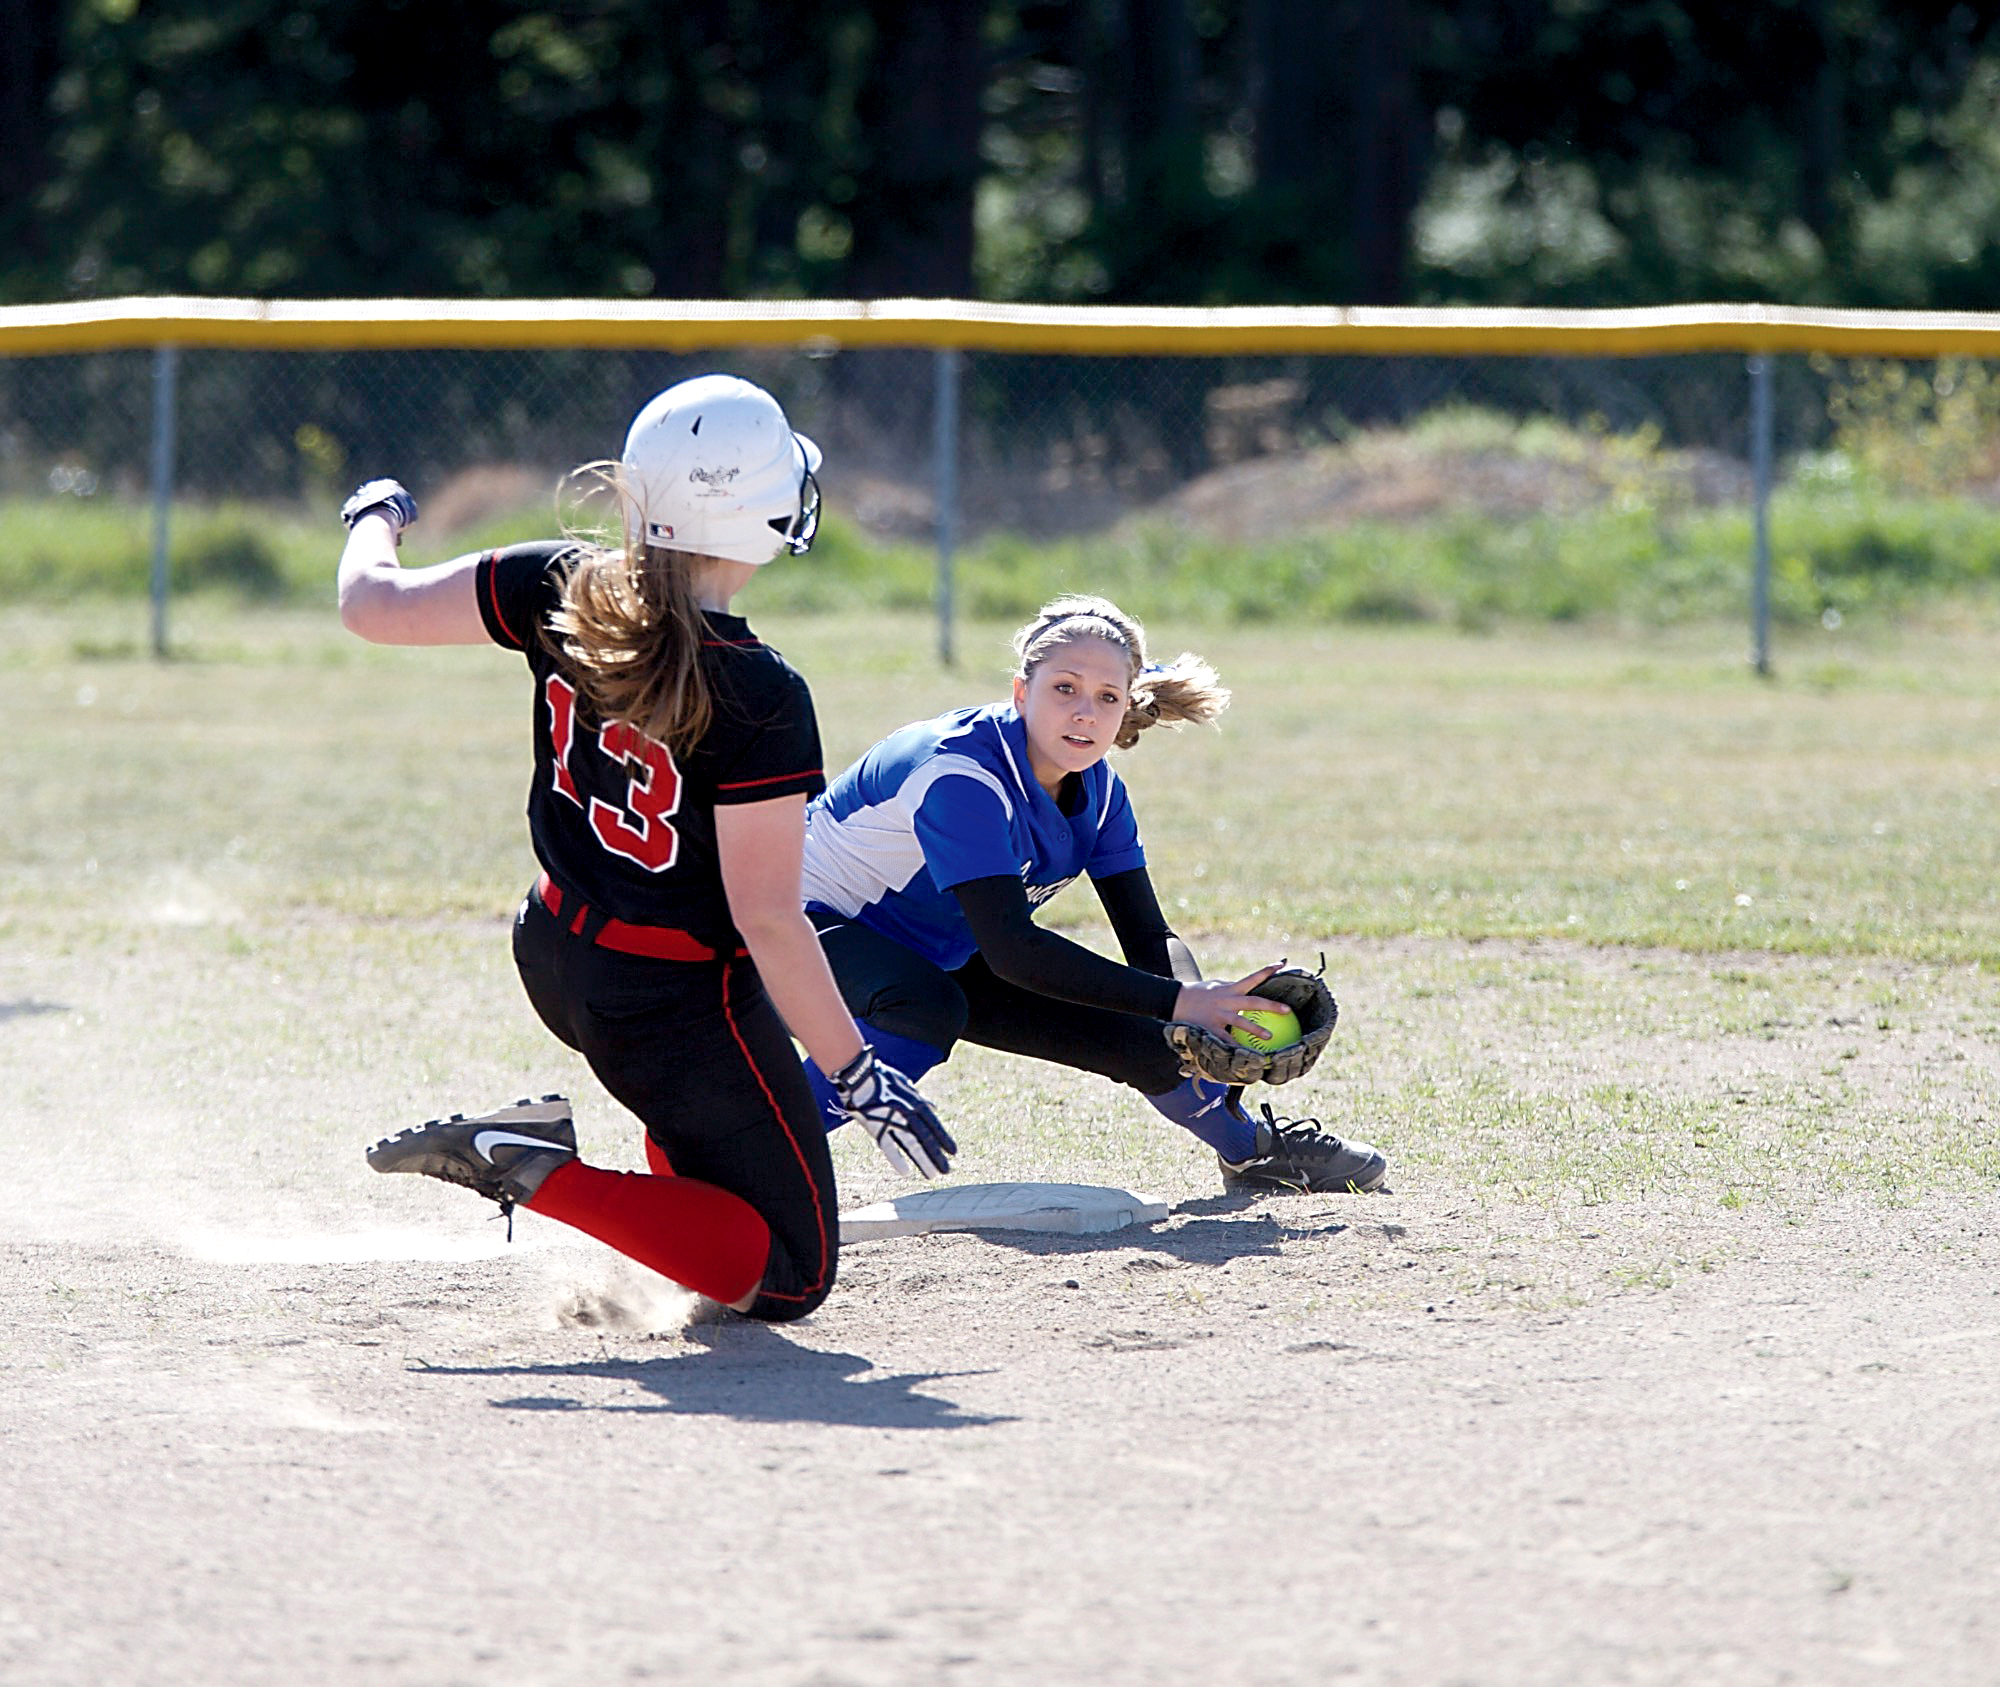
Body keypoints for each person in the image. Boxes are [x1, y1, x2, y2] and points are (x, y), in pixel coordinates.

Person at [336, 374, 953, 1322]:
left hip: (555, 949)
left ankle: (621, 1175)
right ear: (761, 513)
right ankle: (527, 1164)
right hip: (666, 998)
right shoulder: (760, 690)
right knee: (791, 1272)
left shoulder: (558, 580)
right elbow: (770, 920)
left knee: (717, 1149)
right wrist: (857, 1075)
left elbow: (371, 605)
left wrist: (374, 513)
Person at [795, 593, 1387, 1194]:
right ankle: (758, 1155)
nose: (1084, 713)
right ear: (1021, 693)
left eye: (1106, 698)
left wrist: (1202, 1016)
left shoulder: (1100, 795)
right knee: (923, 1007)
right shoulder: (959, 774)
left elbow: (1149, 938)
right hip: (785, 925)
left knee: (1150, 1034)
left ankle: (1248, 1153)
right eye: (1064, 689)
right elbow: (1015, 952)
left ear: (1126, 707)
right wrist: (1182, 1003)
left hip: (941, 944)